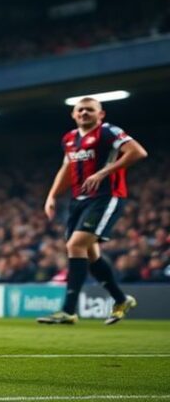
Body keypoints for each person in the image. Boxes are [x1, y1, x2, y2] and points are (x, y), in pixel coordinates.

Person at [38, 97, 148, 325]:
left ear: (101, 114)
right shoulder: (69, 138)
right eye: (80, 110)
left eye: (90, 110)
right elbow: (67, 167)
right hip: (79, 200)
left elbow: (138, 152)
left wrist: (103, 172)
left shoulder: (107, 132)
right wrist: (52, 195)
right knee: (90, 255)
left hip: (106, 196)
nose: (84, 113)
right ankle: (121, 299)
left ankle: (68, 311)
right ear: (73, 115)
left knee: (75, 245)